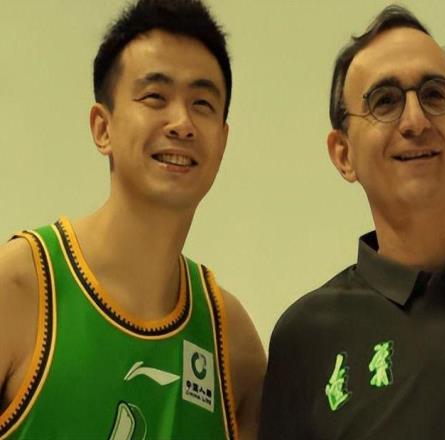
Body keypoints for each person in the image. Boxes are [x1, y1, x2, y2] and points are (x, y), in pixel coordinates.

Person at [0, 0, 265, 438]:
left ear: (222, 140)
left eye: (202, 103)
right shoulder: (20, 288)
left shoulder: (232, 343)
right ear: (102, 128)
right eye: (155, 97)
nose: (182, 123)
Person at [259, 5, 445, 439]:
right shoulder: (305, 340)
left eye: (434, 95)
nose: (415, 121)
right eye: (385, 101)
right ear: (343, 154)